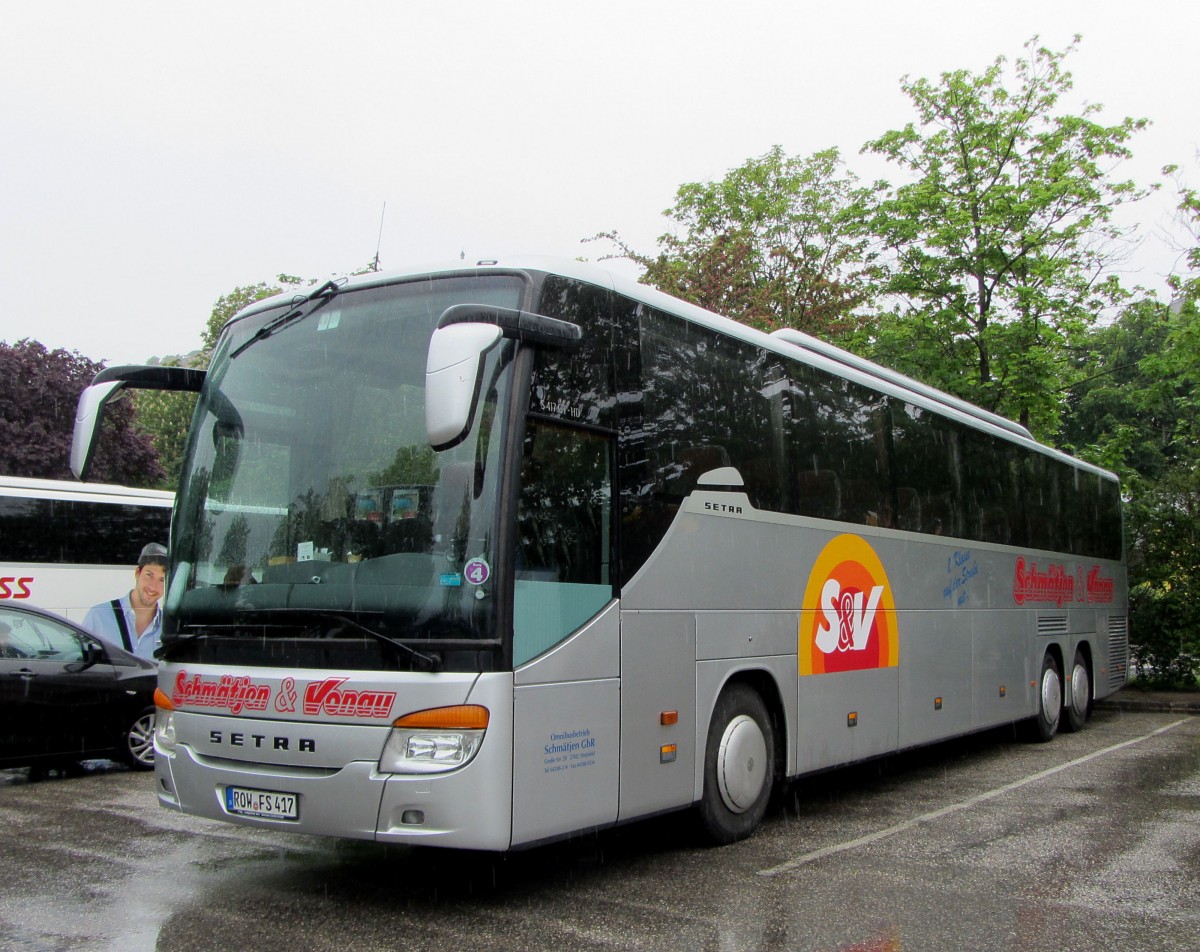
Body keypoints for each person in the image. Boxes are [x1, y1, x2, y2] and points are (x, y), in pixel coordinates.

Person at [83, 543, 168, 661]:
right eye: (149, 575)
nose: (153, 587)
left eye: (162, 579)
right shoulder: (98, 615)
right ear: (137, 573)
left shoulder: (169, 627)